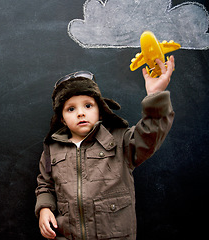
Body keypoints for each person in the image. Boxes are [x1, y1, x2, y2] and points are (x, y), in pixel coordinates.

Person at [35, 56, 175, 239]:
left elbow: (150, 134)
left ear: (100, 110)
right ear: (62, 119)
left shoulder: (120, 140)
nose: (81, 113)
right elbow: (45, 184)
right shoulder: (51, 150)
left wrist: (155, 95)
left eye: (88, 105)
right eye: (71, 109)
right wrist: (44, 208)